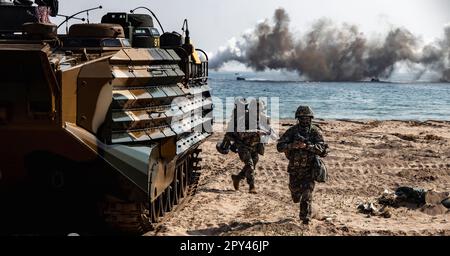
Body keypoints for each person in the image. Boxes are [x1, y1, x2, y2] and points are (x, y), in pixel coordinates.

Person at [276, 106, 328, 224]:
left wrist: (307, 146)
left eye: (307, 118)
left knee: (307, 194)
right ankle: (301, 202)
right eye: (302, 118)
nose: (305, 120)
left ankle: (306, 219)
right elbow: (279, 146)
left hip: (310, 168)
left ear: (310, 118)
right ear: (298, 118)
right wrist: (292, 146)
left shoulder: (315, 131)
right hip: (294, 168)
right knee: (295, 195)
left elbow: (321, 148)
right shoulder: (292, 131)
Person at [217, 98, 273, 194]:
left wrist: (267, 133)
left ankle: (237, 178)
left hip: (255, 146)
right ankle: (252, 186)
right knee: (250, 165)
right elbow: (241, 134)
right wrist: (256, 132)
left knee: (251, 166)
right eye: (256, 110)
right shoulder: (243, 118)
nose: (258, 112)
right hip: (243, 145)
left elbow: (269, 132)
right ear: (251, 109)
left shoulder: (264, 118)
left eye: (260, 110)